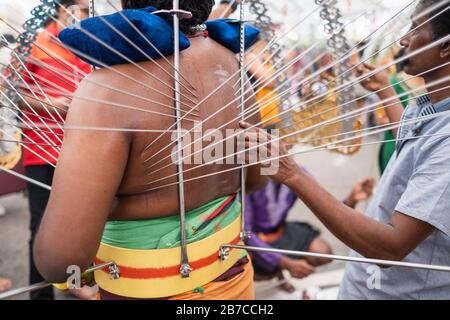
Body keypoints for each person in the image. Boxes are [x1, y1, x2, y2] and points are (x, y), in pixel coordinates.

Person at [33, 0, 266, 300]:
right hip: (235, 281)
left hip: (147, 290)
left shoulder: (108, 88)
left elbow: (60, 261)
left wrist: (113, 205)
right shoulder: (231, 62)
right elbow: (257, 179)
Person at [240, 0, 450, 299]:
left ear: (446, 48)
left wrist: (292, 173)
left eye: (416, 28)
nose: (404, 39)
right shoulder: (428, 108)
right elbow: (411, 138)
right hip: (365, 286)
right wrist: (384, 90)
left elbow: (389, 248)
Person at [19, 0, 92, 300]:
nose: (89, 15)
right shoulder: (35, 43)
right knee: (43, 226)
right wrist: (53, 105)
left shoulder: (90, 43)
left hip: (83, 148)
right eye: (85, 9)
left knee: (82, 225)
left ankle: (75, 283)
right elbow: (13, 93)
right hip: (42, 148)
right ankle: (40, 294)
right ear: (64, 9)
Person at [246, 177, 374, 284]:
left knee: (322, 253)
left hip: (280, 229)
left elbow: (323, 205)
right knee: (253, 271)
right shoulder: (253, 175)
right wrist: (286, 263)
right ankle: (277, 273)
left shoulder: (293, 171)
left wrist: (351, 200)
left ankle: (280, 272)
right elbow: (246, 233)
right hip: (255, 238)